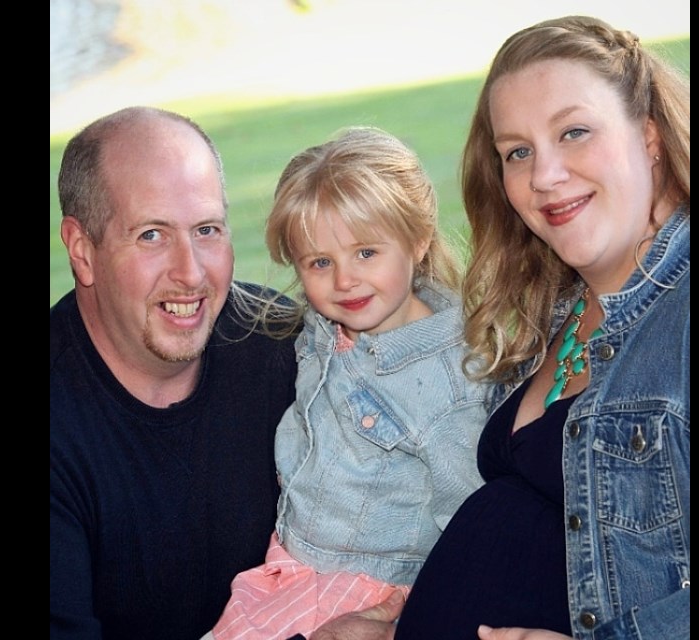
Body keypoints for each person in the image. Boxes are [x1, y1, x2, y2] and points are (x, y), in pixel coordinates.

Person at [393, 16, 690, 640]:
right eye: (517, 152)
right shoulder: (554, 308)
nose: (543, 176)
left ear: (651, 135)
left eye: (574, 132)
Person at [208, 126, 491, 640]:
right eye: (320, 262)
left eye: (366, 253)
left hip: (359, 592)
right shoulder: (325, 326)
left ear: (418, 238)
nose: (344, 281)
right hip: (289, 564)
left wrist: (421, 620)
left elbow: (473, 525)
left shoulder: (449, 391)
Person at [49, 106, 301, 639]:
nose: (191, 273)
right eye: (151, 235)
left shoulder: (285, 350)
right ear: (81, 250)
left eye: (206, 229)